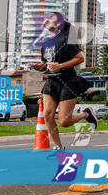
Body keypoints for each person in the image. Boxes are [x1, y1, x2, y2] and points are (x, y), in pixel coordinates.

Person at [33, 12, 97, 150]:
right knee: (48, 115)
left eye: (51, 18)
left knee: (63, 121)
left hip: (68, 81)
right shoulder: (45, 43)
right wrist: (38, 66)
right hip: (51, 82)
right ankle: (58, 147)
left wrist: (60, 65)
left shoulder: (64, 40)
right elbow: (45, 63)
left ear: (58, 24)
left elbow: (80, 58)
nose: (47, 19)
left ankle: (86, 114)